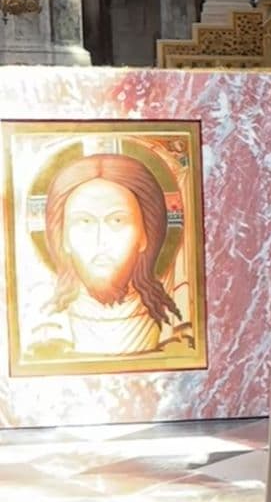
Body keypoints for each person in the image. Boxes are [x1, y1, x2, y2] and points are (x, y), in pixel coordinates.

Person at [29, 152, 194, 361]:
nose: (100, 240)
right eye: (84, 222)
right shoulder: (48, 325)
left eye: (117, 221)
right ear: (63, 239)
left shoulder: (174, 319)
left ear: (145, 235)